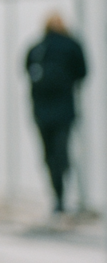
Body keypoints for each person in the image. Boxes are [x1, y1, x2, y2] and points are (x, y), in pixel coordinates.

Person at [25, 12, 87, 216]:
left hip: (41, 110)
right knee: (61, 151)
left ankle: (57, 195)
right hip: (64, 109)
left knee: (49, 154)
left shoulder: (37, 48)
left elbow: (25, 71)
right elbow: (83, 73)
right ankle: (62, 194)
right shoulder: (72, 46)